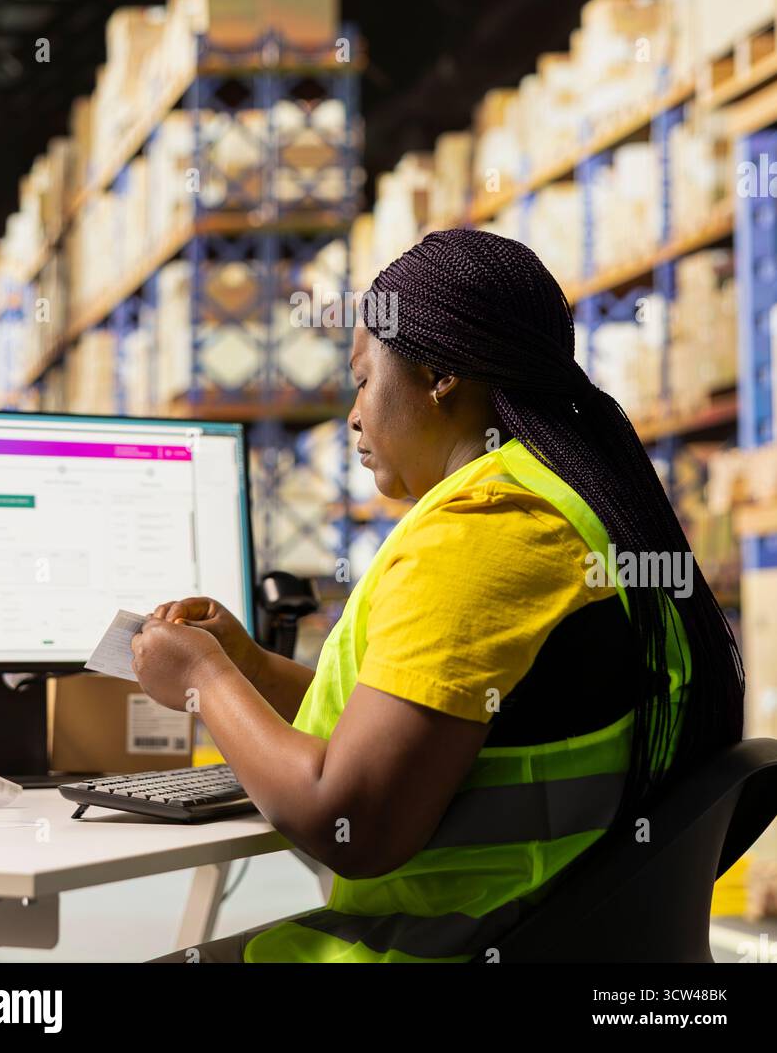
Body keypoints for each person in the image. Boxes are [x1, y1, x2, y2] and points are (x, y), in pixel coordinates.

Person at [135, 227, 744, 964]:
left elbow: (349, 822)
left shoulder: (485, 533)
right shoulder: (559, 500)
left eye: (363, 380)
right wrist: (252, 670)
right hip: (543, 933)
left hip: (443, 947)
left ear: (437, 375)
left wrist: (204, 678)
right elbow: (420, 729)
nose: (354, 416)